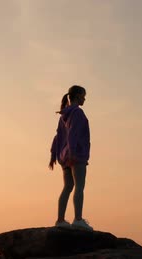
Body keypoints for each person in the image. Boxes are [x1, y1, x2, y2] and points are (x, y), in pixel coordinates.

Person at [49, 85, 93, 231]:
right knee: (79, 186)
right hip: (76, 155)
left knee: (68, 187)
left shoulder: (64, 115)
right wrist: (73, 152)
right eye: (83, 95)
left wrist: (54, 155)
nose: (85, 98)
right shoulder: (77, 113)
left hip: (64, 156)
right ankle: (78, 220)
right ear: (78, 95)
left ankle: (60, 220)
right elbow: (73, 133)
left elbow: (58, 136)